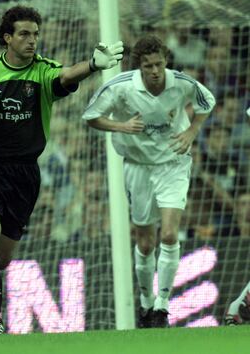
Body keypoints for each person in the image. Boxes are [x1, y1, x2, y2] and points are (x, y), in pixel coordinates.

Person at [0, 4, 123, 335]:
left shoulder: (42, 71)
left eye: (35, 34)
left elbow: (65, 75)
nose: (32, 41)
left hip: (24, 174)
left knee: (2, 258)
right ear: (7, 38)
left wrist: (93, 65)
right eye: (24, 34)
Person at [82, 34, 215, 328]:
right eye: (148, 66)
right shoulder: (120, 88)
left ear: (165, 61)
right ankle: (145, 302)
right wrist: (121, 125)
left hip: (173, 163)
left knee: (168, 235)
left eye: (158, 64)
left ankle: (162, 307)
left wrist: (191, 132)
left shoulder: (181, 82)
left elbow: (207, 102)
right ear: (138, 66)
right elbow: (91, 116)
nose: (155, 71)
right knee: (145, 241)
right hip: (138, 167)